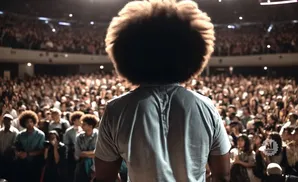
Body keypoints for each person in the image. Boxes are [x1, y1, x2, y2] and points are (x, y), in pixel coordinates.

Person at [95, 0, 231, 182]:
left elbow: (105, 177)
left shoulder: (116, 109)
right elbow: (223, 174)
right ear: (190, 52)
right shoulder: (206, 107)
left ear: (130, 53)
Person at [14, 110, 45, 182]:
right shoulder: (20, 134)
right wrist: (18, 153)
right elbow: (16, 146)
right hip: (22, 163)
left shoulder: (40, 134)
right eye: (27, 122)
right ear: (23, 123)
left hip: (35, 163)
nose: (29, 124)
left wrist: (27, 154)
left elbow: (41, 150)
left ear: (34, 122)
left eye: (31, 121)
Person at [74, 114, 99, 182]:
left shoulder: (98, 136)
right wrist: (92, 153)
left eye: (84, 124)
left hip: (97, 166)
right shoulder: (79, 137)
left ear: (90, 126)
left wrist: (86, 153)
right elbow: (78, 153)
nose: (81, 126)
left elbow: (99, 153)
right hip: (82, 166)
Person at [63, 111, 84, 182]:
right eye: (78, 120)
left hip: (83, 153)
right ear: (74, 121)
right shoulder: (69, 131)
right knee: (72, 172)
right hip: (72, 154)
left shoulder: (84, 130)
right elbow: (66, 143)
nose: (80, 121)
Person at [0, 114, 19, 181]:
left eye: (8, 121)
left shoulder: (15, 132)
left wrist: (8, 150)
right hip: (1, 157)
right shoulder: (1, 131)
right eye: (5, 120)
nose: (7, 122)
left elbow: (15, 145)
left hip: (10, 158)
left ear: (11, 122)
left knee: (10, 175)